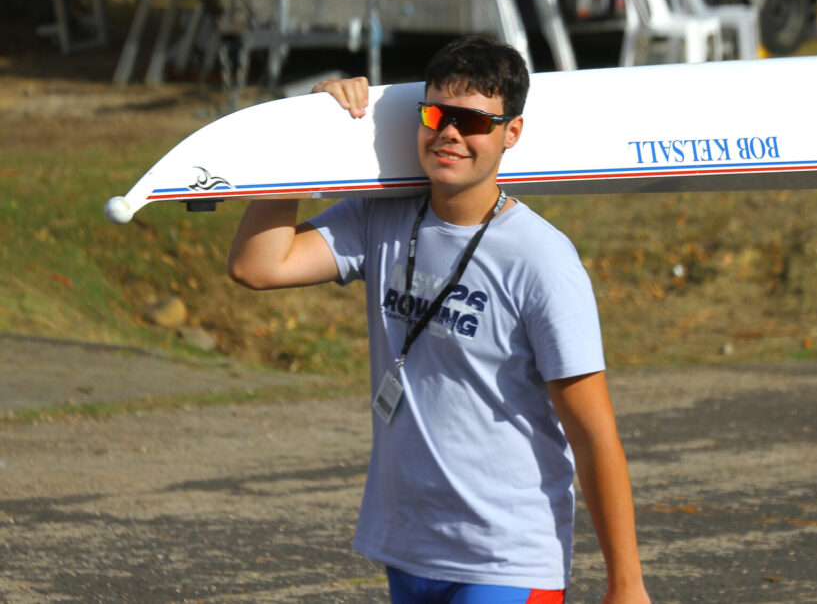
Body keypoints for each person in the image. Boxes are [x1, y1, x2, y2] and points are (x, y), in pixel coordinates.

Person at [227, 35, 650, 604]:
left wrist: (627, 584)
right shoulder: (379, 220)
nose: (449, 133)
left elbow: (593, 433)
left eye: (473, 122)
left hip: (506, 557)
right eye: (435, 114)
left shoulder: (541, 260)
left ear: (511, 134)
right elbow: (258, 265)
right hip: (408, 548)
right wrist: (312, 134)